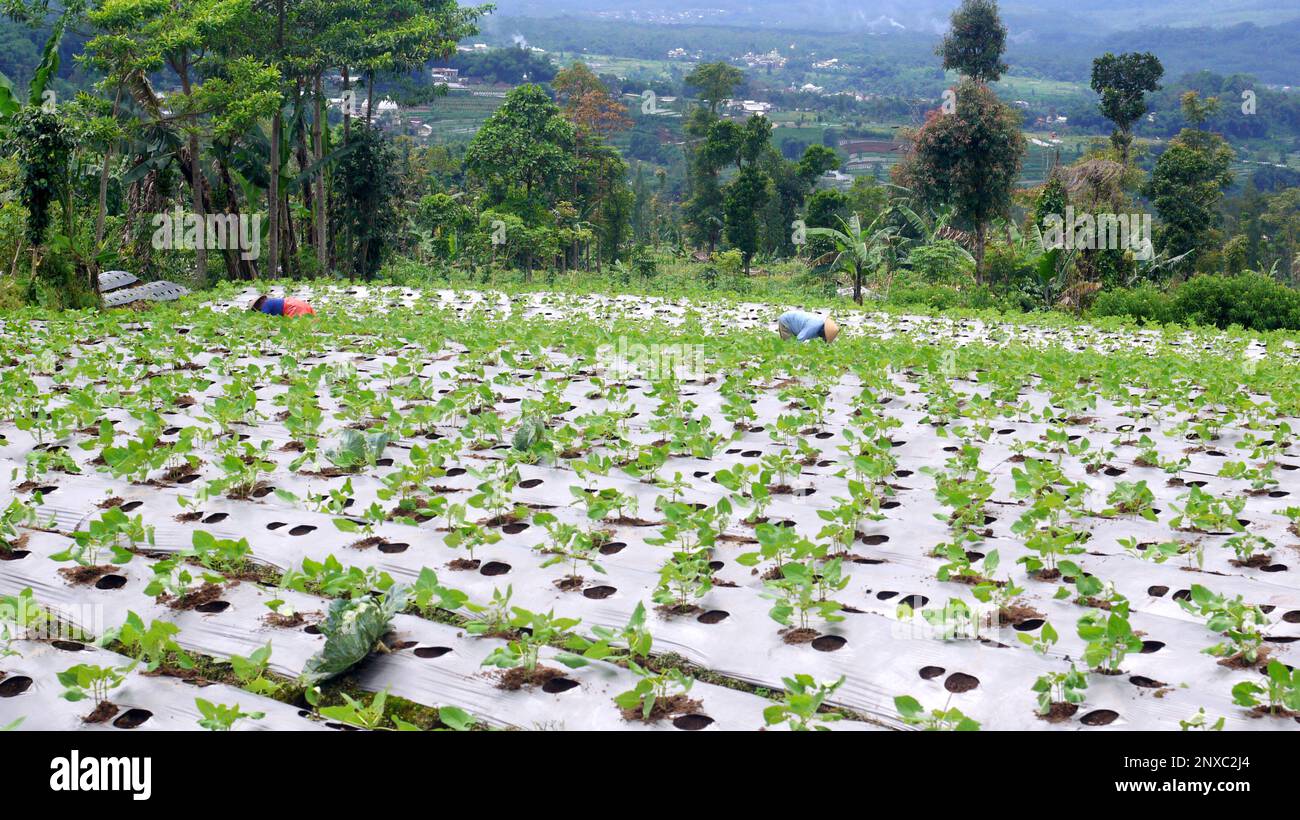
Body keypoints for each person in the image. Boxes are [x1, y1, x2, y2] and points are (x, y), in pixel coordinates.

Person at [251, 294, 316, 317]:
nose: (258, 310)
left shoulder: (266, 303)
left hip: (292, 306)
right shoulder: (270, 301)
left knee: (295, 325)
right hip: (297, 304)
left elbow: (263, 317)